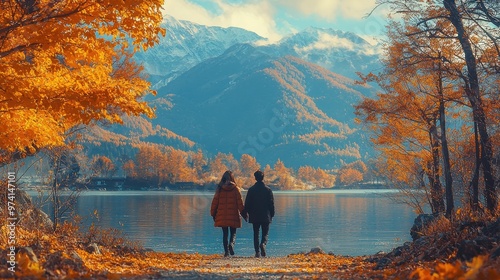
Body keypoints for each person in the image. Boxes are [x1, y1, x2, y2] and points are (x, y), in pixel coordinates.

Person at [210, 170, 246, 257]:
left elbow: (214, 203)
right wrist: (244, 214)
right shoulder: (236, 189)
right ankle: (231, 244)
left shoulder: (219, 189)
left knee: (225, 234)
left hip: (222, 215)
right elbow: (240, 203)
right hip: (233, 215)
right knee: (233, 233)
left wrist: (213, 213)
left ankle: (226, 252)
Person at [243, 170, 275, 257]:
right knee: (265, 233)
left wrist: (246, 213)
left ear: (255, 178)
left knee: (256, 233)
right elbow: (271, 204)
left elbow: (247, 203)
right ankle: (263, 244)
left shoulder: (251, 190)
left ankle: (257, 252)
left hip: (254, 215)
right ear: (263, 178)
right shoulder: (268, 190)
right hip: (266, 215)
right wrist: (272, 214)